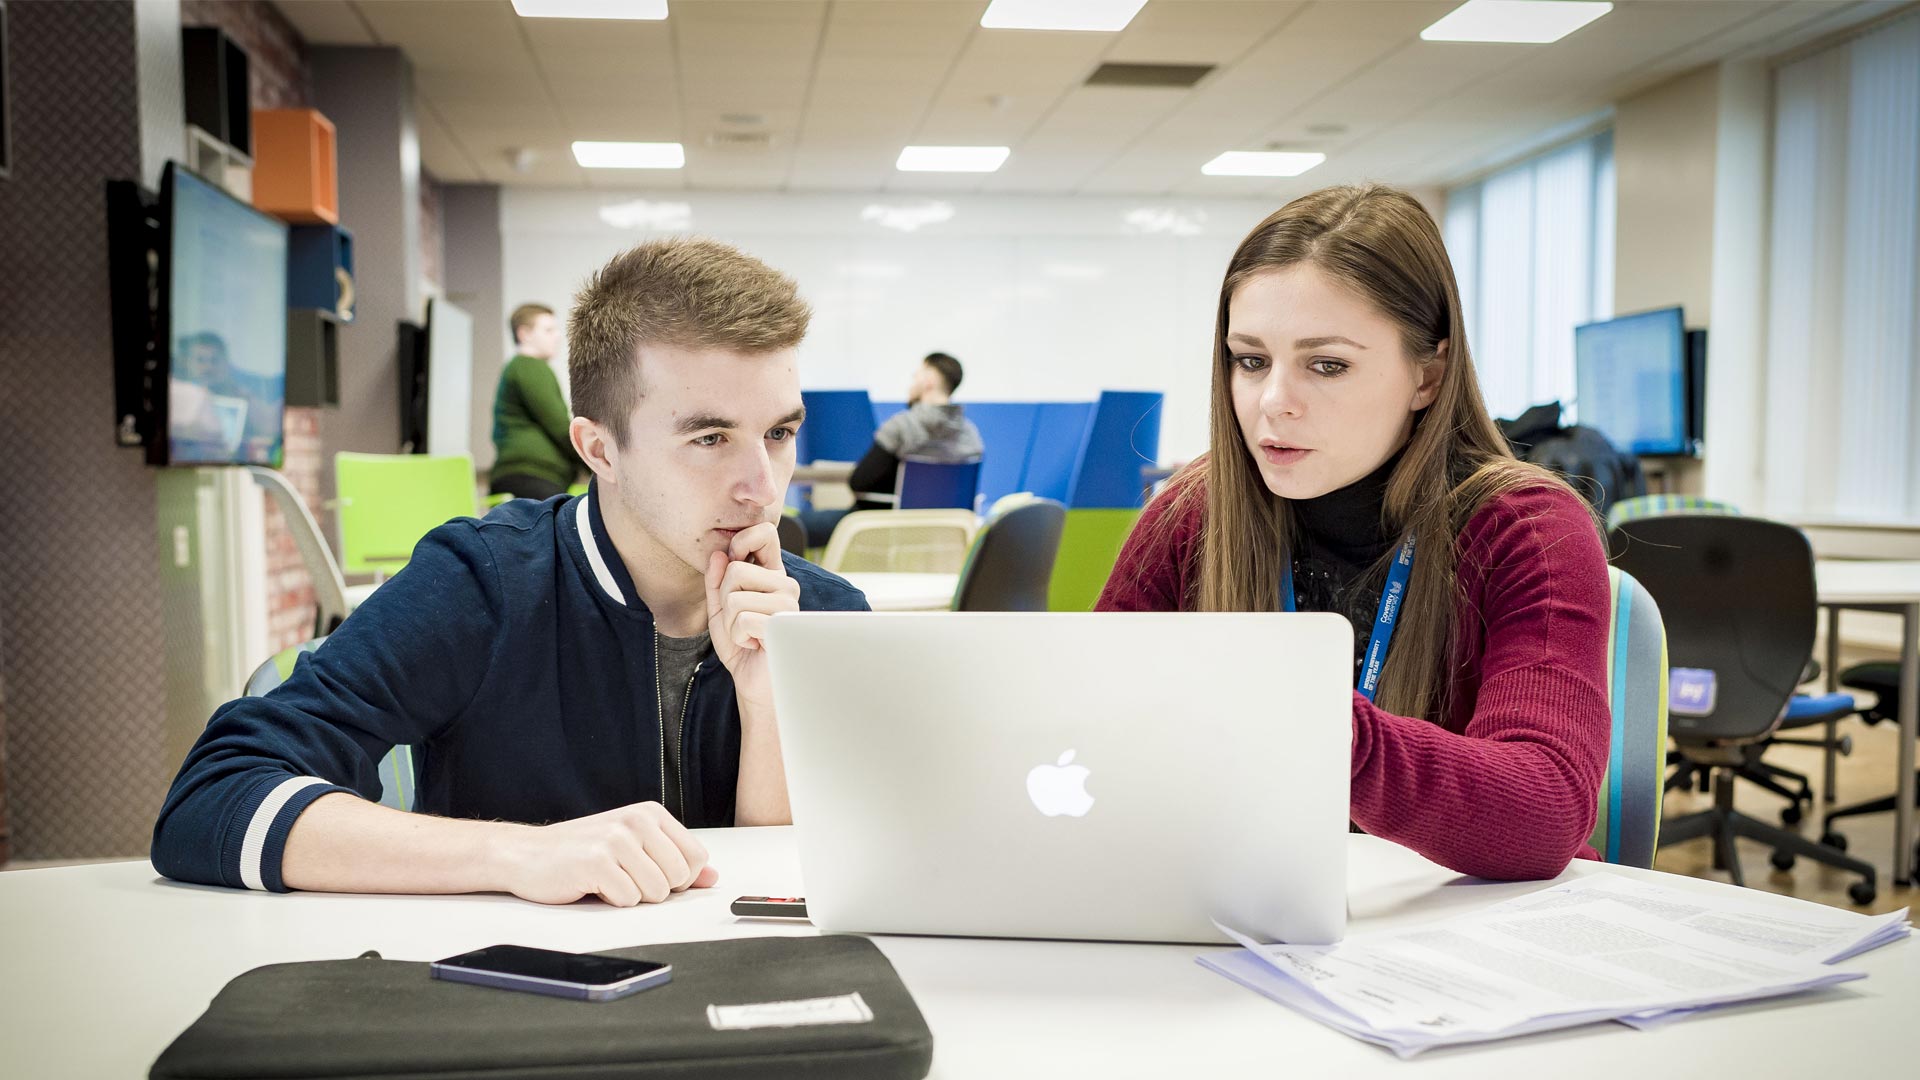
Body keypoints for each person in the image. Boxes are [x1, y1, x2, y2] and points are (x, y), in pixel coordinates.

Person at [152, 238, 870, 906]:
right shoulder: (483, 582)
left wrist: (770, 698)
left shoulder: (827, 613)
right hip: (512, 1005)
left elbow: (789, 893)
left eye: (778, 433)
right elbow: (212, 799)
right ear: (599, 449)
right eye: (710, 438)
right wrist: (516, 854)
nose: (762, 487)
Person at [1097, 184, 1611, 882]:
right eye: (1250, 360)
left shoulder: (1529, 531)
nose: (1273, 400)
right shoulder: (1193, 511)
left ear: (1428, 374)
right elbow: (1092, 729)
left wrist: (1325, 726)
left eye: (1327, 364)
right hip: (1250, 903)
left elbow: (1544, 810)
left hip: (1467, 937)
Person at [801, 352, 986, 546]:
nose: (912, 382)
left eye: (916, 376)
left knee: (794, 525)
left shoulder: (902, 426)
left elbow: (859, 482)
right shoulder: (972, 436)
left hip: (886, 529)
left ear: (929, 381)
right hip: (944, 537)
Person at [490, 302, 582, 501]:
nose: (557, 336)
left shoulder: (516, 367)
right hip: (532, 476)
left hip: (521, 476)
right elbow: (560, 426)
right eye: (548, 330)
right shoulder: (529, 367)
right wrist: (593, 460)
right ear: (524, 334)